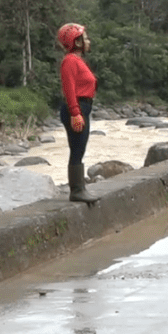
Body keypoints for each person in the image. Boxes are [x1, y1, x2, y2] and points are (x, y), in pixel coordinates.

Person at [57, 23, 100, 204]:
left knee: (79, 148)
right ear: (76, 41)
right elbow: (69, 88)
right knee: (77, 149)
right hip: (77, 108)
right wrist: (75, 112)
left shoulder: (77, 60)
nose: (88, 40)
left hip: (83, 107)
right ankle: (77, 190)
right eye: (85, 37)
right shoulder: (70, 61)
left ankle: (79, 188)